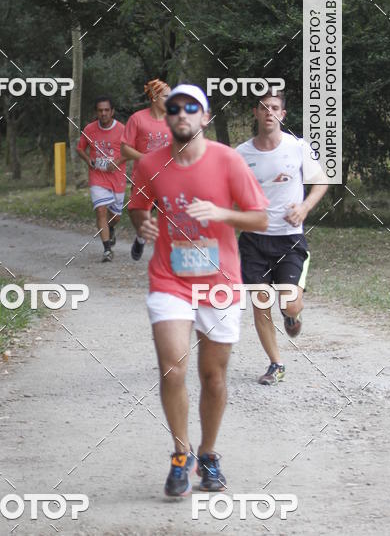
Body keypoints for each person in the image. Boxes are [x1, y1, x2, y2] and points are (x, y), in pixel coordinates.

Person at [129, 84, 268, 497]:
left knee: (213, 376)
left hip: (220, 283)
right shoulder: (150, 164)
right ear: (166, 116)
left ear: (205, 117)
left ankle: (208, 454)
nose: (182, 115)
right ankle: (179, 454)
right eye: (174, 109)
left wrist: (221, 212)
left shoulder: (228, 161)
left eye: (192, 109)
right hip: (169, 279)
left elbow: (259, 218)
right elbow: (137, 205)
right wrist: (143, 224)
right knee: (173, 367)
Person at [236, 89, 328, 385]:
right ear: (256, 113)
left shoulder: (297, 147)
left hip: (289, 239)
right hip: (253, 240)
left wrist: (303, 207)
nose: (269, 112)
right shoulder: (241, 154)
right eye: (263, 107)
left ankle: (292, 316)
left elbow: (321, 181)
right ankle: (276, 364)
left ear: (282, 114)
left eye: (274, 107)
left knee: (289, 304)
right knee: (260, 301)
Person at [121, 78, 171, 261]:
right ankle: (141, 237)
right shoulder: (137, 119)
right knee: (138, 213)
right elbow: (124, 148)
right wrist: (146, 158)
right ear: (155, 97)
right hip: (143, 178)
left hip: (169, 178)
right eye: (167, 96)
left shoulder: (174, 119)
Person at [76, 96, 126, 262]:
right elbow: (80, 148)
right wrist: (87, 160)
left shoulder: (122, 130)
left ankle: (110, 228)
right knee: (100, 211)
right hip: (97, 177)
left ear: (112, 112)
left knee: (116, 216)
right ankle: (107, 250)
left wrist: (117, 162)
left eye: (106, 110)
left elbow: (130, 152)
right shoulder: (90, 129)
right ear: (96, 112)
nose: (103, 113)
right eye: (100, 110)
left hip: (117, 178)